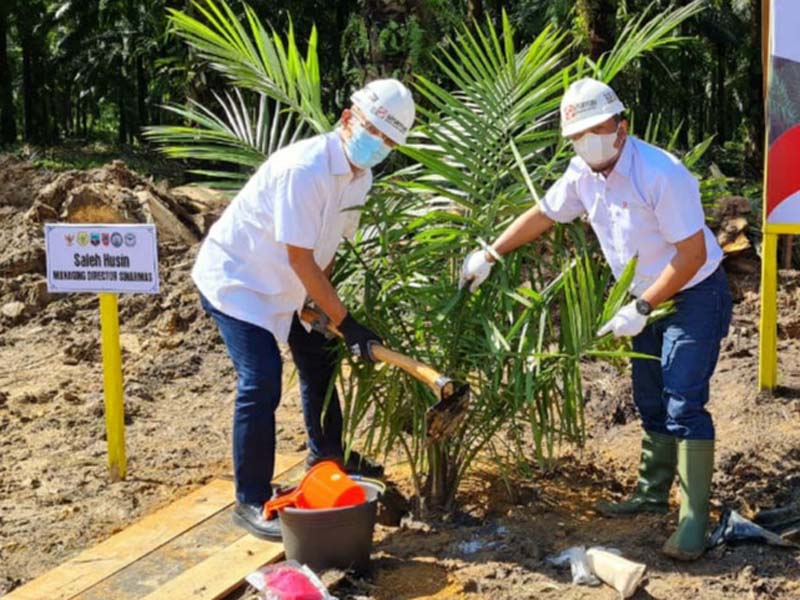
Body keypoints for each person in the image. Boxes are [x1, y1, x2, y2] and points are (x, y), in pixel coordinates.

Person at [459, 77, 732, 561]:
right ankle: (651, 492)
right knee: (650, 398)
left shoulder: (660, 174)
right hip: (642, 298)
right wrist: (491, 253)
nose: (587, 141)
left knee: (683, 402)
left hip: (693, 294)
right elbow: (545, 213)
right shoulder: (582, 173)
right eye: (577, 135)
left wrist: (644, 306)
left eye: (595, 130)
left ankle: (693, 520)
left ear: (620, 127)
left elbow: (690, 255)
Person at [192, 79, 415, 540]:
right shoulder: (306, 168)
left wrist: (317, 306)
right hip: (239, 282)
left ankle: (326, 457)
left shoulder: (361, 177)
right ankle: (250, 499)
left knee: (321, 360)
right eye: (374, 131)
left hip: (291, 286)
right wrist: (347, 321)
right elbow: (299, 256)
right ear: (348, 118)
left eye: (389, 141)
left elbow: (326, 247)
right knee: (261, 379)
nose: (379, 145)